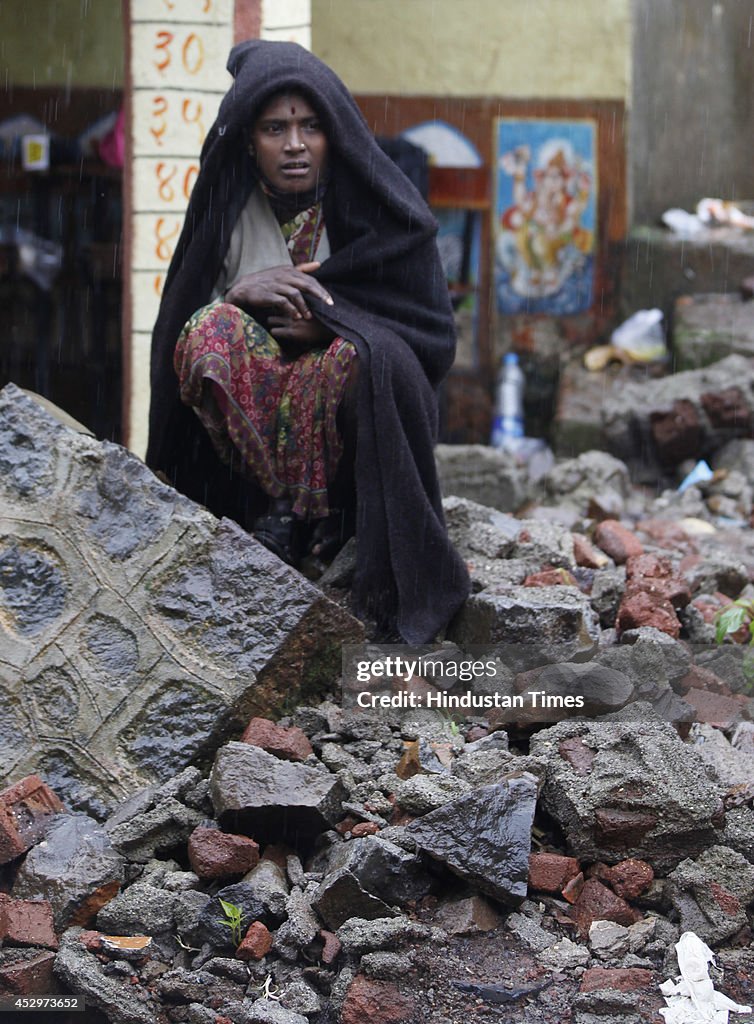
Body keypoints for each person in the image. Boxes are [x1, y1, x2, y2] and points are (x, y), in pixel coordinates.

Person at [146, 39, 470, 644]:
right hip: (254, 437)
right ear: (248, 138)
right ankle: (267, 512)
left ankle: (331, 523)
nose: (294, 144)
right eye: (274, 128)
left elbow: (426, 334)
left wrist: (335, 319)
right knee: (209, 332)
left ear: (332, 133)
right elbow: (181, 332)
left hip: (344, 413)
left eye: (310, 126)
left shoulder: (375, 209)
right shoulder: (227, 209)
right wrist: (242, 292)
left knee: (366, 359)